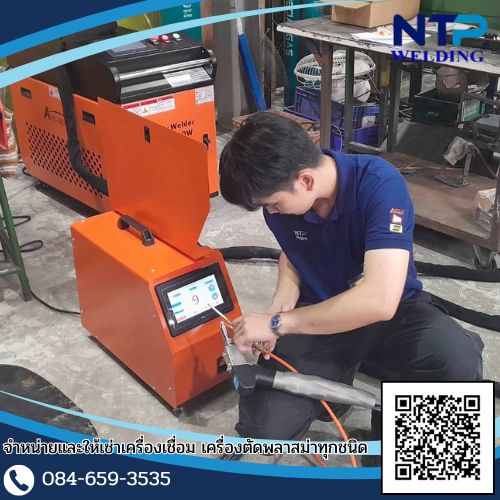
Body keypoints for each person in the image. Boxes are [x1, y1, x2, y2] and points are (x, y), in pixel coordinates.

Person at [218, 112, 484, 443]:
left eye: (273, 204)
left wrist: (278, 324)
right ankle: (336, 385)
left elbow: (380, 301)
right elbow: (294, 253)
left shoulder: (379, 183)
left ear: (306, 181)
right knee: (266, 429)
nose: (271, 212)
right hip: (322, 313)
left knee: (455, 360)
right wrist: (278, 306)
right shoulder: (286, 204)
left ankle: (390, 424)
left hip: (393, 311)